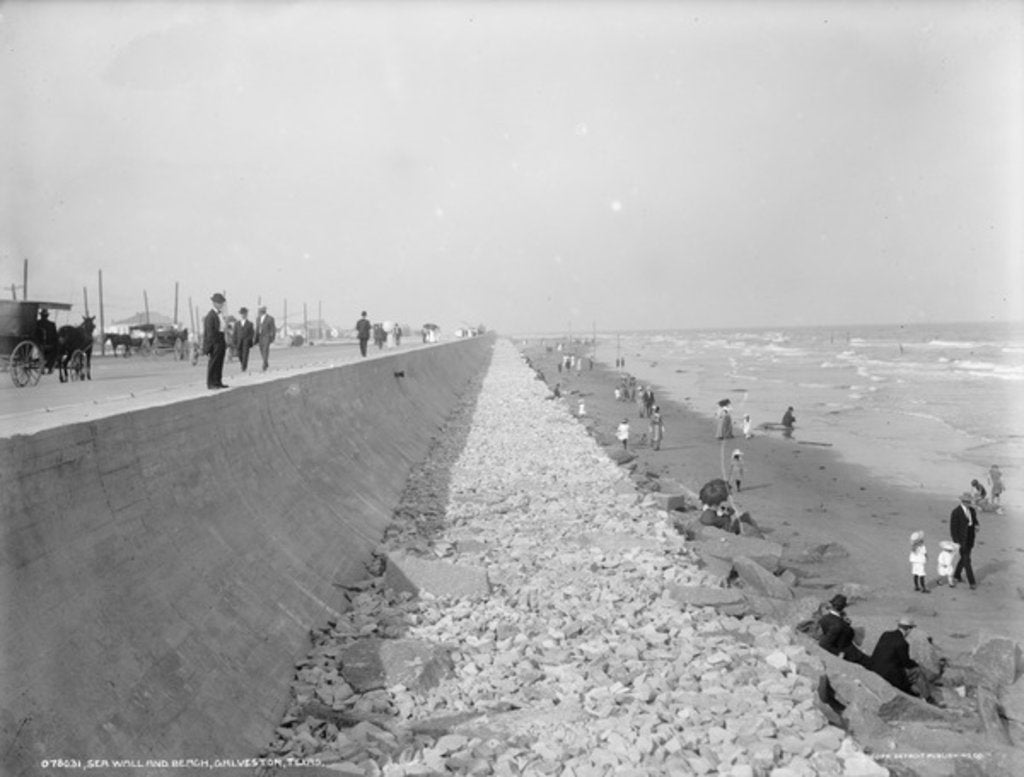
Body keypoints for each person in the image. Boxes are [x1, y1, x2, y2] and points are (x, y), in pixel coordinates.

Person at [868, 616, 937, 702]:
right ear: (908, 629)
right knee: (917, 671)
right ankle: (928, 698)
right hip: (889, 675)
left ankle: (914, 690)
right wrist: (915, 664)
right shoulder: (903, 643)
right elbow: (906, 663)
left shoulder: (885, 634)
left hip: (874, 669)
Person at [817, 594, 869, 666]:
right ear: (843, 607)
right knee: (870, 662)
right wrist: (840, 654)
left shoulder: (824, 618)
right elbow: (824, 644)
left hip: (846, 647)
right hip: (848, 652)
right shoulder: (838, 625)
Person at [950, 491, 979, 589]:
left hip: (970, 538)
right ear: (962, 501)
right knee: (967, 560)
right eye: (966, 501)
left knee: (964, 559)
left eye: (969, 501)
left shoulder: (972, 510)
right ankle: (972, 582)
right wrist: (956, 542)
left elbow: (974, 520)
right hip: (961, 540)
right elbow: (953, 529)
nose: (968, 503)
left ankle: (956, 576)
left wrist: (976, 525)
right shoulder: (956, 512)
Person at [202, 292, 228, 389]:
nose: (221, 304)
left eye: (221, 302)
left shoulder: (220, 314)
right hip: (214, 340)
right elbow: (209, 332)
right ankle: (210, 383)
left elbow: (222, 327)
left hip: (221, 339)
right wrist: (210, 345)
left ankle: (218, 381)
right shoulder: (210, 315)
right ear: (214, 303)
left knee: (219, 362)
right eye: (219, 302)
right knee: (213, 362)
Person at [34, 308, 59, 373]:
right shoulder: (52, 324)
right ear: (47, 316)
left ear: (41, 315)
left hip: (38, 344)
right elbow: (55, 336)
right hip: (48, 345)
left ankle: (45, 363)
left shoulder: (37, 323)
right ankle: (50, 366)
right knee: (56, 349)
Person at [254, 305, 276, 372]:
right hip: (260, 336)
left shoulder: (270, 318)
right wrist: (255, 338)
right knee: (261, 350)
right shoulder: (258, 318)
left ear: (263, 310)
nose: (259, 311)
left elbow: (273, 329)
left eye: (260, 310)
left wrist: (272, 338)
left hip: (266, 336)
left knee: (265, 350)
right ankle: (265, 362)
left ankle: (264, 365)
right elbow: (257, 328)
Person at [234, 307, 254, 372]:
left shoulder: (250, 324)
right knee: (240, 355)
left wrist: (249, 340)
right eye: (242, 314)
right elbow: (235, 333)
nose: (243, 315)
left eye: (244, 314)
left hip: (246, 342)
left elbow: (252, 333)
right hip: (239, 342)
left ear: (246, 314)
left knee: (245, 355)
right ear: (240, 314)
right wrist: (234, 341)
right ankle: (242, 364)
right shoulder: (237, 324)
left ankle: (244, 367)